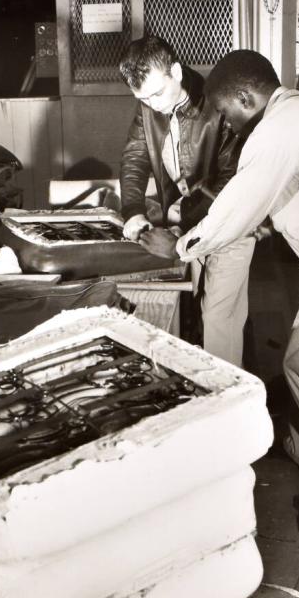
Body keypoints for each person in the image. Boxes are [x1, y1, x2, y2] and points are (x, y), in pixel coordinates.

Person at [139, 48, 299, 505]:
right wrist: (269, 221)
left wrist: (177, 245)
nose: (227, 126)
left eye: (227, 115)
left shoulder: (276, 129)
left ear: (246, 97)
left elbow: (238, 203)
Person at [119, 35, 256, 367]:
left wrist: (185, 215)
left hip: (229, 224)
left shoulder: (219, 104)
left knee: (219, 319)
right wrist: (133, 210)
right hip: (188, 224)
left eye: (156, 94)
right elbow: (135, 156)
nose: (152, 104)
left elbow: (231, 181)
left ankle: (229, 403)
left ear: (176, 71)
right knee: (197, 309)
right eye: (142, 98)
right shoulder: (150, 103)